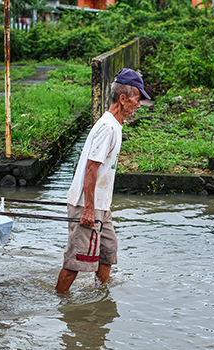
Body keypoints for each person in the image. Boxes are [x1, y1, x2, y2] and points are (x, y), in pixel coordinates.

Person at [56, 68, 150, 293]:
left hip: (101, 206)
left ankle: (100, 297)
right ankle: (58, 301)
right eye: (138, 99)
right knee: (75, 262)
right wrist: (88, 208)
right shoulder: (107, 127)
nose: (139, 105)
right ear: (123, 98)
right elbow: (91, 168)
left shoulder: (116, 125)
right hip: (87, 205)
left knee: (108, 252)